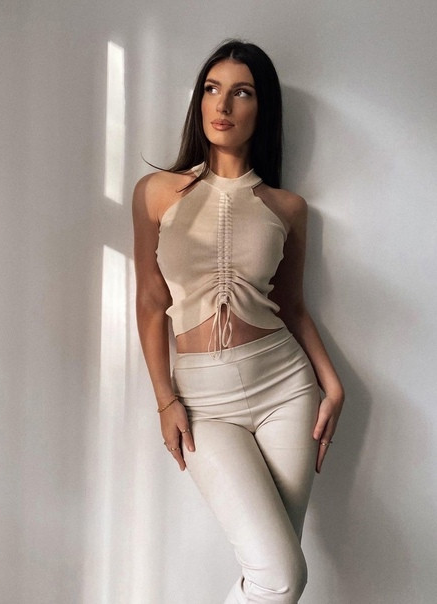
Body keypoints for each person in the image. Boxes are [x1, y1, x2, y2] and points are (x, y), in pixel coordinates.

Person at [132, 39, 344, 604]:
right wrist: (164, 399)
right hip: (204, 401)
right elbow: (151, 301)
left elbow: (292, 305)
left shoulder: (287, 207)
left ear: (262, 108)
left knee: (275, 577)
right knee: (280, 575)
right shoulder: (157, 193)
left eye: (241, 92)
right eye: (212, 88)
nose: (222, 104)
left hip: (286, 390)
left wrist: (333, 384)